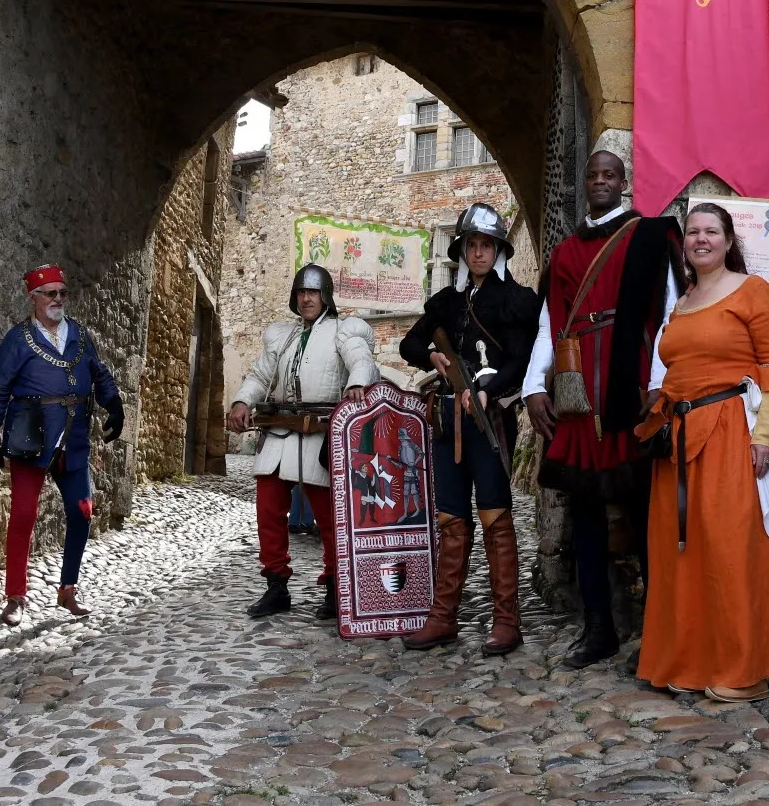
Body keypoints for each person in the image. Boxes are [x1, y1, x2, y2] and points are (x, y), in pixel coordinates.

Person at [633, 203, 769, 701]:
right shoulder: (685, 299)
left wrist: (765, 434)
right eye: (692, 231)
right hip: (679, 439)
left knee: (731, 549)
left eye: (711, 231)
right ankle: (690, 661)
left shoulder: (752, 291)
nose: (700, 239)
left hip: (732, 432)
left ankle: (745, 670)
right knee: (684, 553)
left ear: (729, 238)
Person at [522, 150, 683, 669]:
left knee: (642, 514)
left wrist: (657, 384)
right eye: (592, 175)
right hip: (577, 392)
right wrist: (532, 387)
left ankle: (661, 630)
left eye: (609, 175)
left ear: (623, 183)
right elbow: (551, 323)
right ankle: (599, 630)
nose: (600, 182)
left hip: (627, 383)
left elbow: (669, 314)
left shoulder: (650, 236)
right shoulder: (564, 251)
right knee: (585, 515)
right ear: (585, 183)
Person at [399, 203, 540, 655]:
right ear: (462, 251)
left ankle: (506, 621)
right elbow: (410, 343)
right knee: (451, 518)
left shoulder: (517, 301)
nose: (478, 253)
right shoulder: (444, 303)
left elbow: (521, 358)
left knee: (496, 515)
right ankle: (443, 617)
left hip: (490, 420)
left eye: (486, 245)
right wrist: (432, 358)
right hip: (446, 420)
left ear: (498, 250)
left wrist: (488, 385)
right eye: (471, 245)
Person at [228, 264, 379, 620]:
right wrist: (241, 401)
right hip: (280, 432)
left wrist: (357, 382)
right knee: (267, 511)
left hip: (321, 435)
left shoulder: (345, 330)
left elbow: (362, 360)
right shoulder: (281, 336)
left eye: (312, 292)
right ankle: (276, 586)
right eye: (301, 292)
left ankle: (334, 586)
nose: (306, 298)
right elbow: (262, 373)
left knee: (329, 518)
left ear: (325, 295)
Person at [0, 264, 124, 626]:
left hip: (73, 439)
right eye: (51, 294)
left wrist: (113, 402)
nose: (58, 300)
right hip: (31, 437)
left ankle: (68, 590)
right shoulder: (18, 339)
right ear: (35, 299)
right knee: (24, 515)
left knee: (82, 512)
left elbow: (99, 371)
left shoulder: (80, 334)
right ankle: (15, 596)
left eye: (63, 293)